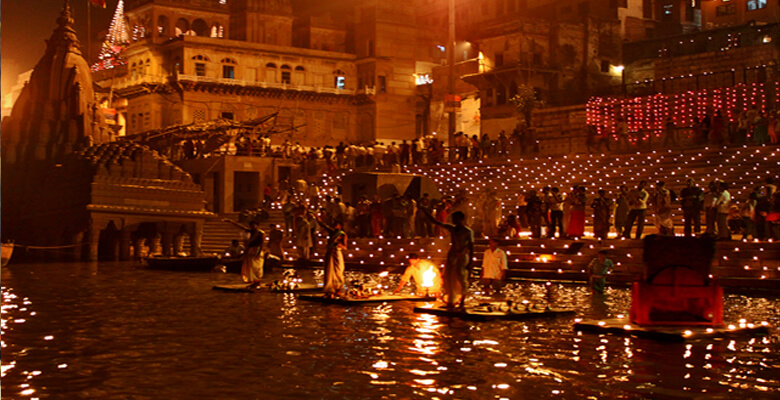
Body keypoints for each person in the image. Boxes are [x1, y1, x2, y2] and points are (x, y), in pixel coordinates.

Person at [426, 210, 474, 309]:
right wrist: (424, 210)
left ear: (461, 219)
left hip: (462, 256)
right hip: (452, 255)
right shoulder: (452, 229)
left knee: (461, 278)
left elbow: (471, 246)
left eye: (455, 219)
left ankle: (462, 302)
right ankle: (450, 301)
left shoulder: (468, 231)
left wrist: (470, 262)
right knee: (448, 278)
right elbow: (435, 222)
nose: (453, 221)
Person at [223, 219, 265, 286]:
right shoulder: (251, 231)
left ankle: (257, 280)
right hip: (250, 249)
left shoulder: (260, 233)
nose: (252, 227)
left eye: (254, 225)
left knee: (257, 265)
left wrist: (259, 251)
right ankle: (252, 279)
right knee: (249, 265)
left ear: (257, 225)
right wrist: (231, 222)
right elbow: (241, 227)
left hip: (257, 249)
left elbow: (262, 243)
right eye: (251, 226)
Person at [318, 216, 347, 298]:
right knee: (328, 270)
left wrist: (338, 245)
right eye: (334, 224)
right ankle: (329, 289)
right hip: (330, 253)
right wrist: (319, 220)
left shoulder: (342, 234)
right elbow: (324, 226)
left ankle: (338, 289)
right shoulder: (332, 232)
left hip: (337, 253)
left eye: (336, 225)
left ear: (340, 226)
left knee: (338, 271)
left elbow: (345, 247)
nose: (335, 226)